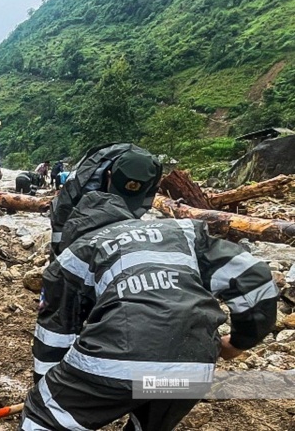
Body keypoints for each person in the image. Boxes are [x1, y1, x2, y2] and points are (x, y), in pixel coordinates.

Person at [23, 153, 277, 431]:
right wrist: (240, 342)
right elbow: (255, 278)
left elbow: (55, 335)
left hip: (118, 363)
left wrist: (48, 391)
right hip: (193, 365)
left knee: (40, 418)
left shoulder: (76, 253)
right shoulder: (184, 232)